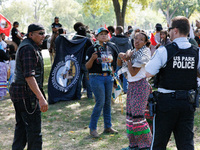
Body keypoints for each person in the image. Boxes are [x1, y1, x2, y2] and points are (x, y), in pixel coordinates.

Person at [145, 16, 200, 150]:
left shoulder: (164, 51)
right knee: (186, 144)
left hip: (167, 103)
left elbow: (148, 73)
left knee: (159, 143)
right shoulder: (196, 52)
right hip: (188, 102)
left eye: (169, 29)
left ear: (175, 30)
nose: (168, 32)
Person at [9, 23, 48, 150]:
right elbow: (29, 76)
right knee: (34, 133)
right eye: (40, 33)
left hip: (21, 94)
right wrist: (41, 98)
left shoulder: (29, 45)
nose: (44, 36)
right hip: (26, 96)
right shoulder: (28, 49)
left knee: (21, 131)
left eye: (44, 33)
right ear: (31, 34)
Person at [118, 32, 152, 150]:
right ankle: (134, 145)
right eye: (135, 39)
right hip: (132, 86)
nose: (137, 41)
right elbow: (119, 64)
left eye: (140, 39)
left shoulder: (145, 52)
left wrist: (127, 59)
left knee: (138, 117)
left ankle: (147, 145)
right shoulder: (133, 51)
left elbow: (133, 72)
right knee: (131, 117)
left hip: (140, 86)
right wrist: (121, 56)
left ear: (145, 42)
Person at [86, 27, 119, 138]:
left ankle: (107, 126)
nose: (104, 36)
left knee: (107, 102)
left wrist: (114, 75)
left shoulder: (112, 47)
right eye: (101, 34)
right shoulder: (92, 49)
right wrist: (92, 58)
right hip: (96, 77)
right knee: (100, 102)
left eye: (106, 34)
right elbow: (87, 66)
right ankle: (93, 128)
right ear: (97, 37)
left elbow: (115, 63)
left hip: (108, 77)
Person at [110, 26, 133, 94]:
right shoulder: (127, 39)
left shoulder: (113, 39)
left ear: (117, 31)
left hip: (118, 59)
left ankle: (118, 89)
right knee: (125, 75)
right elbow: (130, 48)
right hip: (125, 58)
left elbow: (110, 48)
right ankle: (125, 89)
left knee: (116, 74)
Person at [73, 25, 93, 99]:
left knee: (78, 80)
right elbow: (91, 49)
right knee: (88, 79)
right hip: (86, 62)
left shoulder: (74, 39)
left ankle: (78, 96)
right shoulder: (87, 40)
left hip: (77, 62)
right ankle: (89, 95)